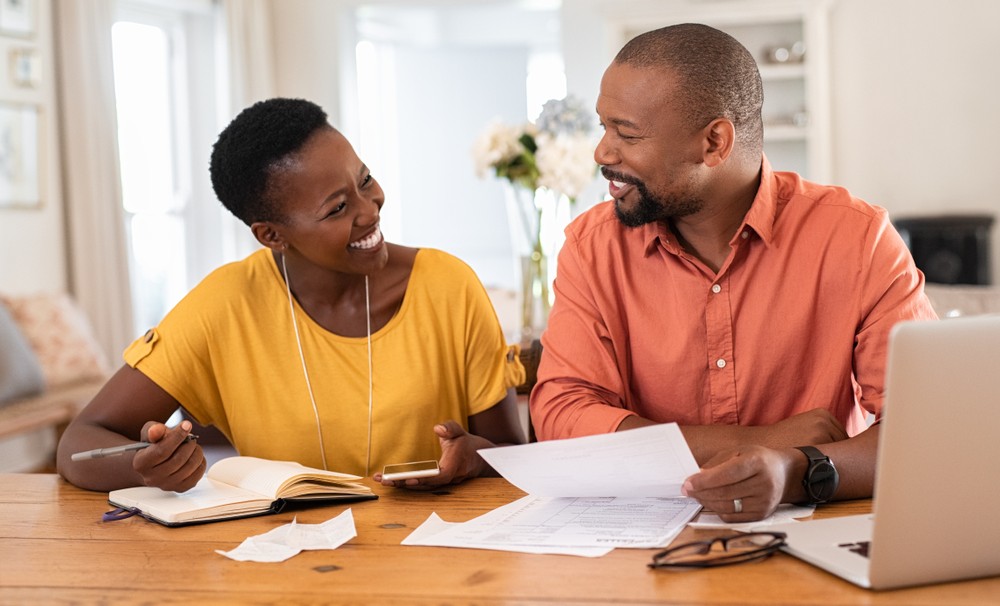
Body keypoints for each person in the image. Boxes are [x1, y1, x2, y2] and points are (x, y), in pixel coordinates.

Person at [530, 24, 937, 522]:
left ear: (715, 142)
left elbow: (925, 428)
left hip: (814, 538)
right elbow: (561, 414)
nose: (603, 153)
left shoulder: (856, 238)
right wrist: (755, 442)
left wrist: (793, 470)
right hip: (636, 548)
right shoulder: (592, 248)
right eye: (603, 127)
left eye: (627, 134)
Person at [57, 97, 526, 493]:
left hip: (437, 564)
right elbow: (79, 443)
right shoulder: (224, 305)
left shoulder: (448, 285)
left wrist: (471, 459)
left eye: (364, 180)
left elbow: (511, 455)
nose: (370, 210)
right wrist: (147, 468)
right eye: (338, 207)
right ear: (271, 236)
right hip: (283, 564)